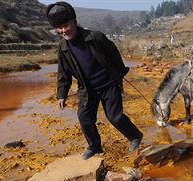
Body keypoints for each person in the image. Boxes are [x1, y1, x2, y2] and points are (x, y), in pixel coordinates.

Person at [46, 2, 143, 160]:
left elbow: (114, 54)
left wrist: (119, 76)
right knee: (84, 118)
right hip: (87, 89)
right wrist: (61, 94)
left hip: (108, 85)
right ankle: (95, 147)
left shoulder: (95, 37)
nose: (64, 30)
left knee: (115, 117)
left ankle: (135, 136)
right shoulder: (62, 46)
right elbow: (63, 72)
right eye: (60, 27)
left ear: (75, 22)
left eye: (66, 25)